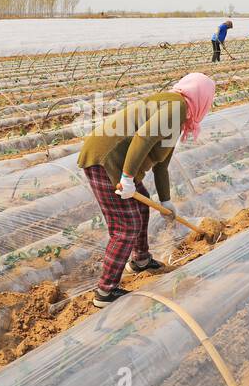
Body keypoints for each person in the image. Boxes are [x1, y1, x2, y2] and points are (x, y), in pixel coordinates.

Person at [77, 72, 216, 307]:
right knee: (126, 226)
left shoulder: (179, 111)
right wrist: (127, 178)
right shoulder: (177, 108)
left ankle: (140, 260)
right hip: (106, 160)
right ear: (202, 96)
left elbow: (162, 163)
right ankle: (105, 292)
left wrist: (165, 201)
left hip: (117, 162)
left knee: (142, 208)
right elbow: (143, 138)